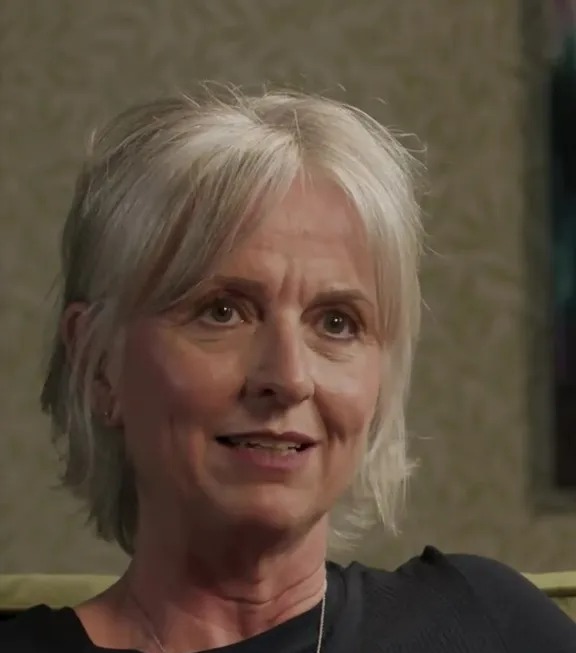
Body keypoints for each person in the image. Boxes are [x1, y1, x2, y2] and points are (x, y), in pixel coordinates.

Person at [1, 87, 574, 653]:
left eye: (337, 323)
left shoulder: (486, 624)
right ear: (98, 362)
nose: (289, 377)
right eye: (222, 312)